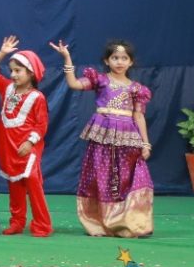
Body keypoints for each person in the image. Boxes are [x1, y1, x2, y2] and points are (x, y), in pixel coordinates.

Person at [51, 39, 154, 238]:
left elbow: (139, 116)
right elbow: (74, 84)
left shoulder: (137, 89)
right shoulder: (100, 80)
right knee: (101, 177)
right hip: (102, 136)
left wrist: (145, 143)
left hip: (128, 139)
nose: (119, 62)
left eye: (124, 58)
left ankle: (132, 223)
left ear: (131, 62)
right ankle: (100, 223)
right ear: (107, 61)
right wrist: (67, 57)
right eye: (115, 57)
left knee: (129, 179)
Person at [0, 36, 52, 237]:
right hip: (8, 146)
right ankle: (17, 221)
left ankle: (42, 224)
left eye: (18, 71)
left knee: (32, 182)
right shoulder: (8, 89)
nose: (13, 75)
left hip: (28, 146)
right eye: (11, 70)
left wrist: (30, 142)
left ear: (31, 73)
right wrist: (1, 53)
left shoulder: (37, 97)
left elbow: (41, 125)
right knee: (14, 184)